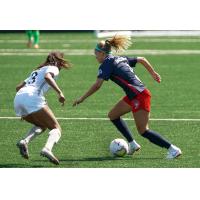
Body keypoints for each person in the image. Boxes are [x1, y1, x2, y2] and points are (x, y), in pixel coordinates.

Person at [73, 35, 182, 159]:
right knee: (113, 115)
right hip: (134, 95)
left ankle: (172, 149)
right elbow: (141, 59)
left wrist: (82, 98)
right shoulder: (119, 59)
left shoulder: (106, 64)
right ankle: (132, 144)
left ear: (102, 53)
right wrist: (153, 73)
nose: (95, 55)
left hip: (139, 96)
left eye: (96, 53)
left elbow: (97, 85)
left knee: (143, 131)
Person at [14, 51, 71, 165]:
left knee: (42, 125)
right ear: (58, 61)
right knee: (56, 128)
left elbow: (18, 87)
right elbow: (47, 77)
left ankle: (24, 141)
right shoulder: (53, 68)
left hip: (18, 99)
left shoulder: (36, 71)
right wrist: (60, 93)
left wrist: (25, 108)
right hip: (32, 98)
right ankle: (47, 149)